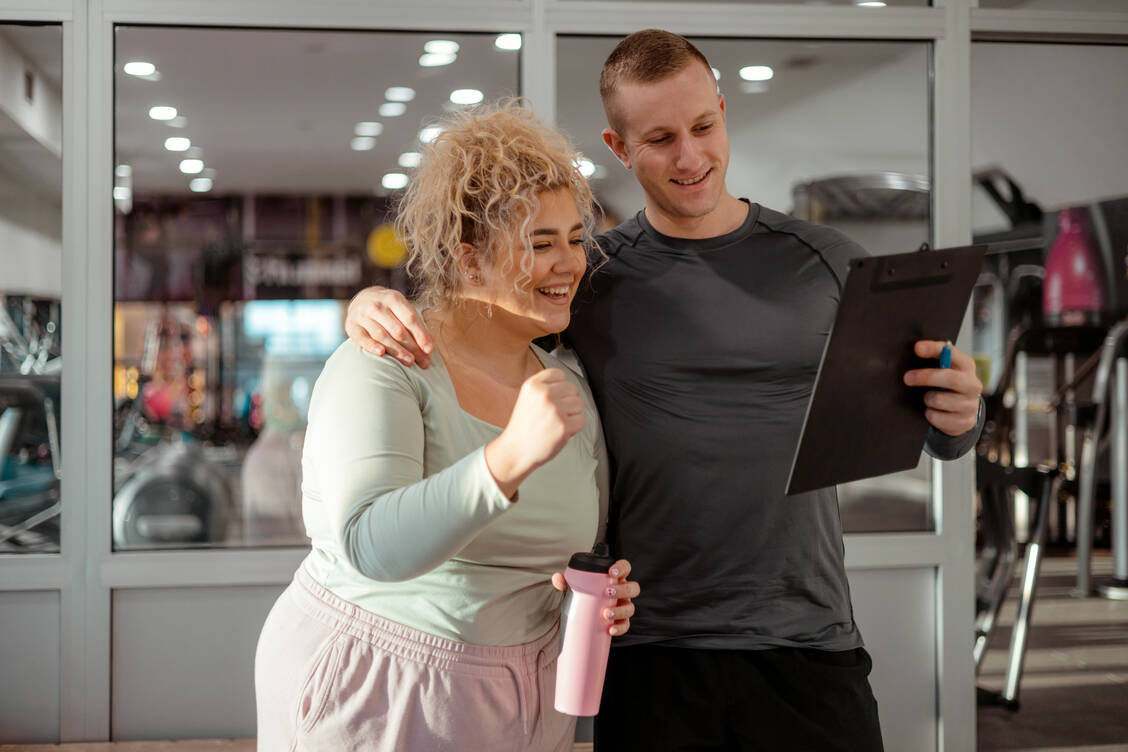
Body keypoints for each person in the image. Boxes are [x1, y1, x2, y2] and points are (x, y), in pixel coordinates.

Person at [343, 30, 984, 752]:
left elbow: (933, 423)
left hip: (807, 644)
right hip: (649, 656)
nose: (690, 157)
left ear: (720, 108)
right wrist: (370, 302)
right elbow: (477, 330)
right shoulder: (589, 279)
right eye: (660, 138)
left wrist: (962, 414)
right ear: (620, 148)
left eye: (703, 126)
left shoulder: (830, 263)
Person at [254, 102, 640, 752]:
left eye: (575, 239)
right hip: (376, 689)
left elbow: (573, 546)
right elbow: (372, 544)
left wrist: (595, 592)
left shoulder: (567, 384)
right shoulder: (382, 360)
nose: (569, 264)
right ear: (469, 261)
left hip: (526, 700)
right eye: (539, 244)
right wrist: (506, 459)